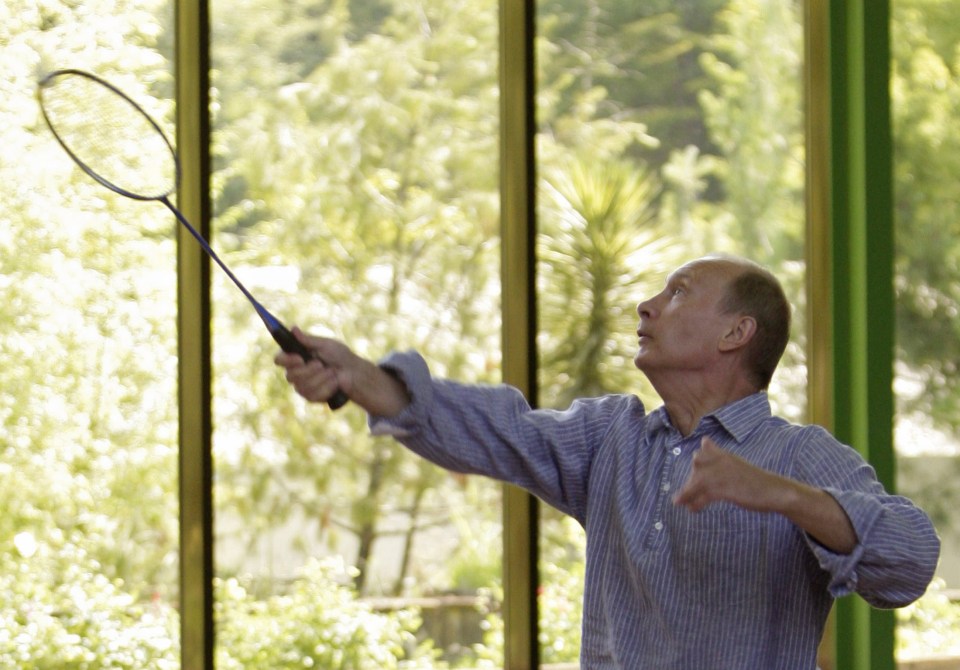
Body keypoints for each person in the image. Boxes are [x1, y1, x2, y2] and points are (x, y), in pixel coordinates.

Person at [275, 253, 940, 669]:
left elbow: (909, 561)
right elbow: (489, 427)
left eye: (679, 292)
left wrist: (780, 494)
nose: (646, 305)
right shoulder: (610, 439)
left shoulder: (800, 455)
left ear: (737, 334)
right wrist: (359, 376)